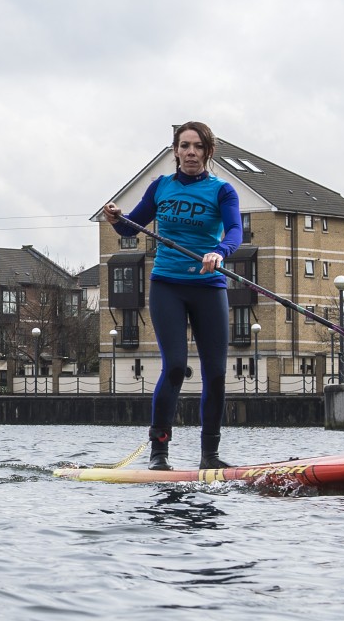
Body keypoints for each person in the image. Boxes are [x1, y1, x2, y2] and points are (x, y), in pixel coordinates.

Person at [103, 121, 243, 470]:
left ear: (208, 152)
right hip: (167, 285)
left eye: (197, 147)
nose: (190, 152)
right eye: (184, 146)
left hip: (209, 288)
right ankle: (159, 454)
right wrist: (115, 218)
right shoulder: (160, 187)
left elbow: (236, 230)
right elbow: (129, 229)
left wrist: (220, 252)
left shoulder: (222, 191)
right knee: (176, 366)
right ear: (175, 151)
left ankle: (209, 455)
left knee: (215, 372)